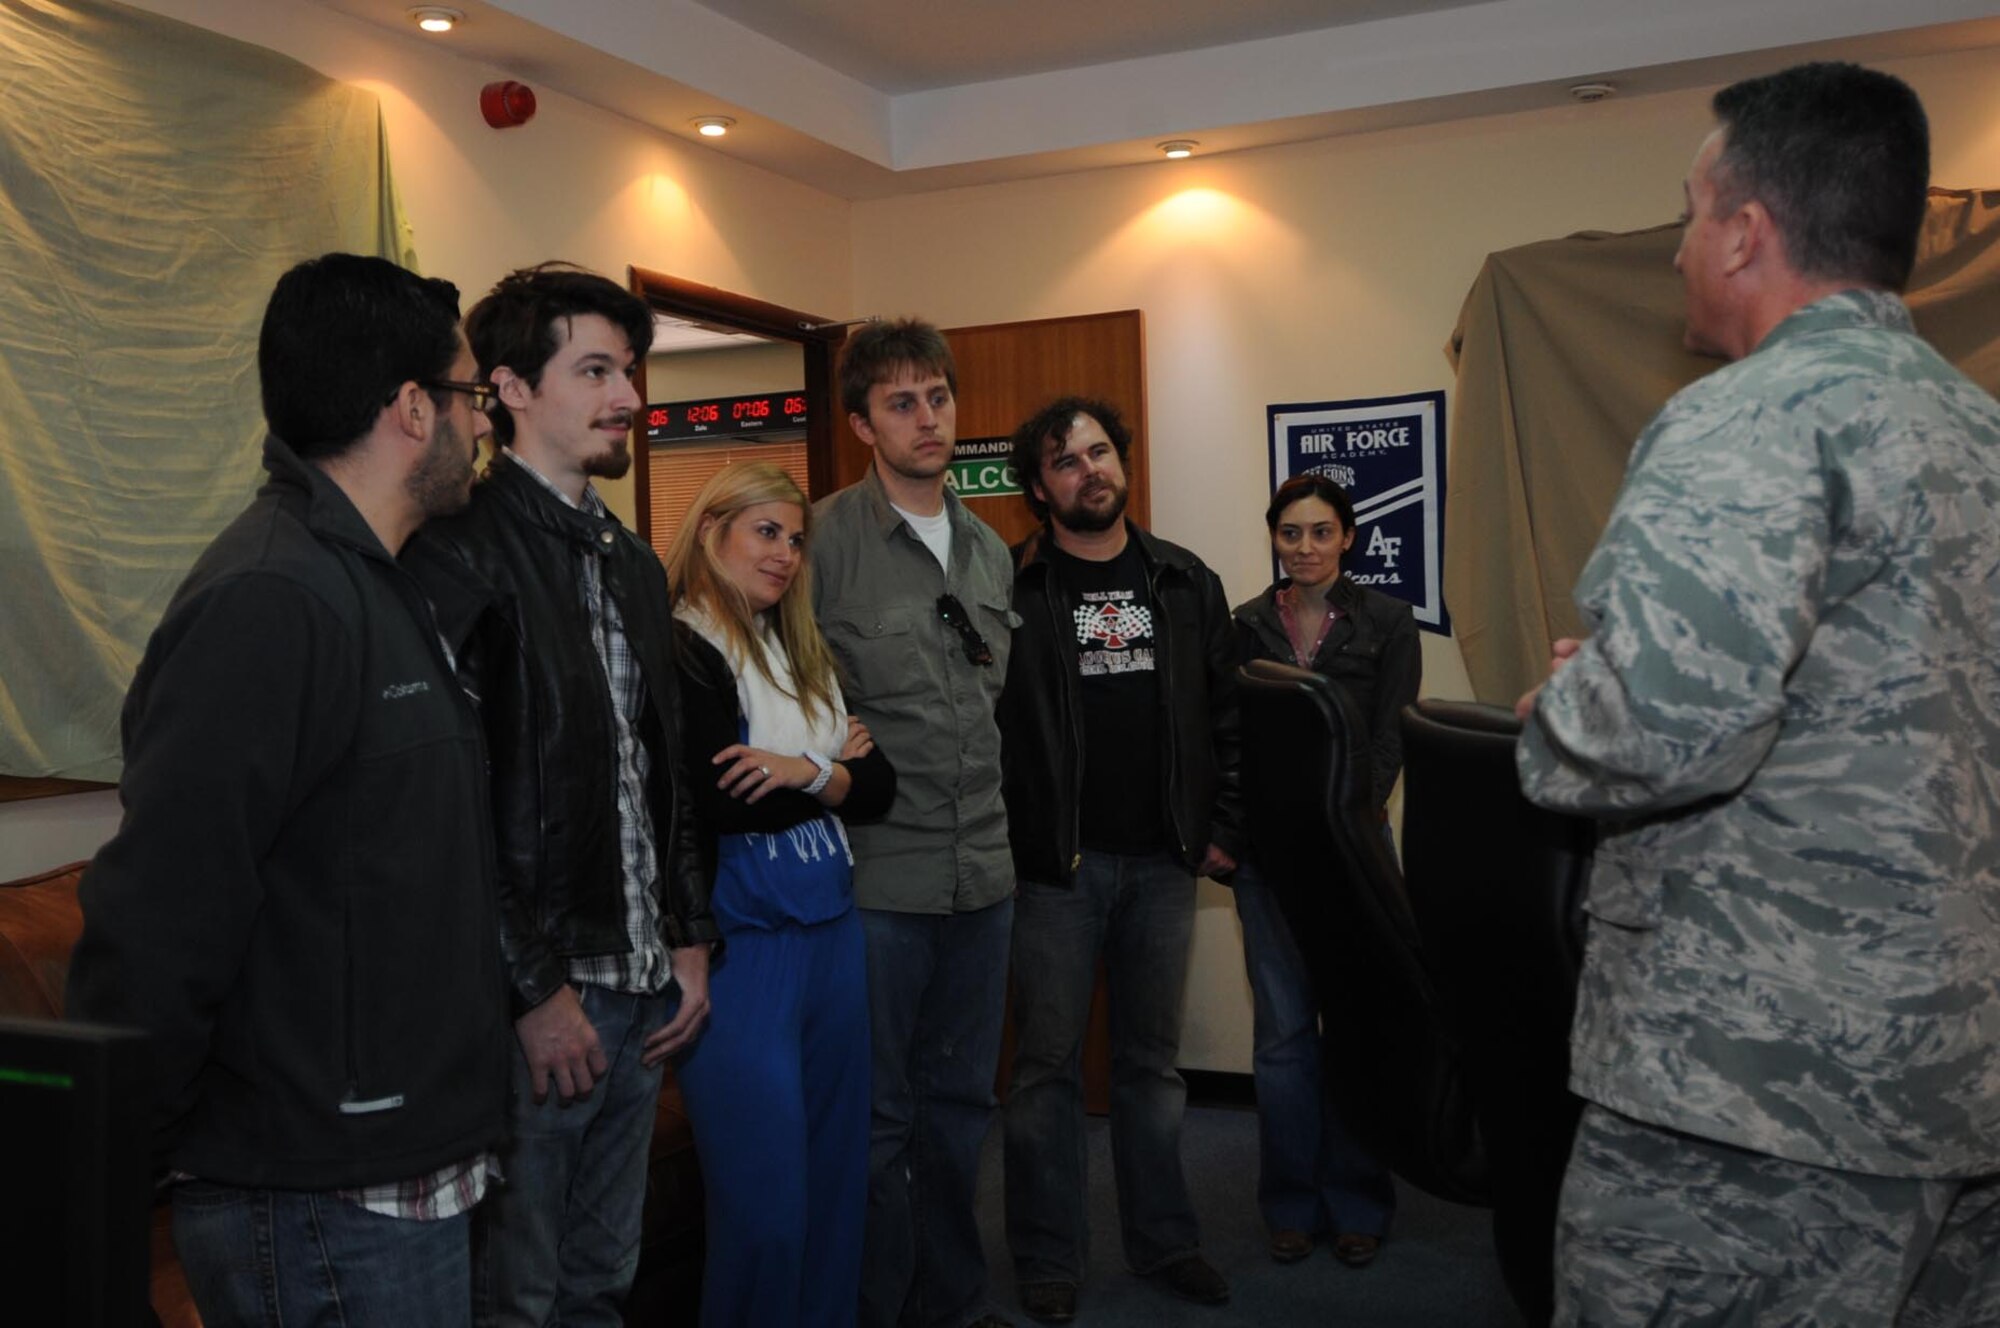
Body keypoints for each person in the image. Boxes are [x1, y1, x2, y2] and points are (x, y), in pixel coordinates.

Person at [1514, 62, 2000, 1325]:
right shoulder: (1977, 435)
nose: (1677, 247)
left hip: (1752, 1082)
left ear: (1743, 231)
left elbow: (1664, 727)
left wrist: (1563, 713)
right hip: (1957, 1072)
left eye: (1686, 212)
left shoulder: (1747, 419)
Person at [65, 253, 507, 1325]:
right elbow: (164, 917)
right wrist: (109, 1176)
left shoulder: (392, 582)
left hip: (404, 1159)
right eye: (470, 396)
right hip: (318, 1188)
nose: (483, 422)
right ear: (411, 409)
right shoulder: (272, 597)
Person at [406, 262, 719, 1326]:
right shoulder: (455, 552)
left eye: (629, 369)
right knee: (518, 1296)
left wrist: (687, 938)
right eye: (594, 370)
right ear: (508, 389)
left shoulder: (631, 561)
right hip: (540, 1002)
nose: (628, 395)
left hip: (640, 985)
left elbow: (660, 770)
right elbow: (446, 810)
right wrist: (531, 990)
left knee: (602, 1283)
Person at [997, 396, 1242, 1323]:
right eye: (1065, 461)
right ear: (1038, 488)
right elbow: (991, 729)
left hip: (1163, 863)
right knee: (1046, 1071)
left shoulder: (1184, 580)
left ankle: (1166, 1241)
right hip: (1055, 868)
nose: (1088, 470)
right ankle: (1050, 1257)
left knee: (1151, 1066)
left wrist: (1224, 826)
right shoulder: (1013, 588)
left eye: (1099, 452)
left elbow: (1228, 718)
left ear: (1123, 463)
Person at [809, 318, 1018, 1328]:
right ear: (862, 424)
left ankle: (954, 1299)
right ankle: (876, 1305)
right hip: (876, 881)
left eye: (936, 396)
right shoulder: (819, 545)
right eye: (901, 401)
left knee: (959, 1109)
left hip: (983, 876)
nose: (927, 417)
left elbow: (990, 710)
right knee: (879, 1118)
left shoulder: (987, 548)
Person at [664, 462, 896, 1326]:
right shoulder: (683, 644)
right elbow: (721, 795)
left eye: (796, 540)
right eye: (767, 532)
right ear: (713, 528)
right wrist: (836, 768)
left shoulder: (795, 649)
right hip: (743, 950)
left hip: (832, 937)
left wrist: (801, 769)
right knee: (765, 1203)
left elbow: (884, 788)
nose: (786, 555)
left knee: (836, 1185)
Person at [1229, 472, 1417, 1267]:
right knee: (1281, 1042)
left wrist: (1347, 822)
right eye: (1289, 533)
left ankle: (1359, 1204)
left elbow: (1390, 737)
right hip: (1269, 861)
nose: (1304, 547)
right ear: (1273, 537)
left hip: (1354, 860)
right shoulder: (1242, 626)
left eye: (1319, 532)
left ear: (1348, 537)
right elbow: (1231, 740)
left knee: (1355, 1035)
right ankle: (1290, 1205)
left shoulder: (1388, 621)